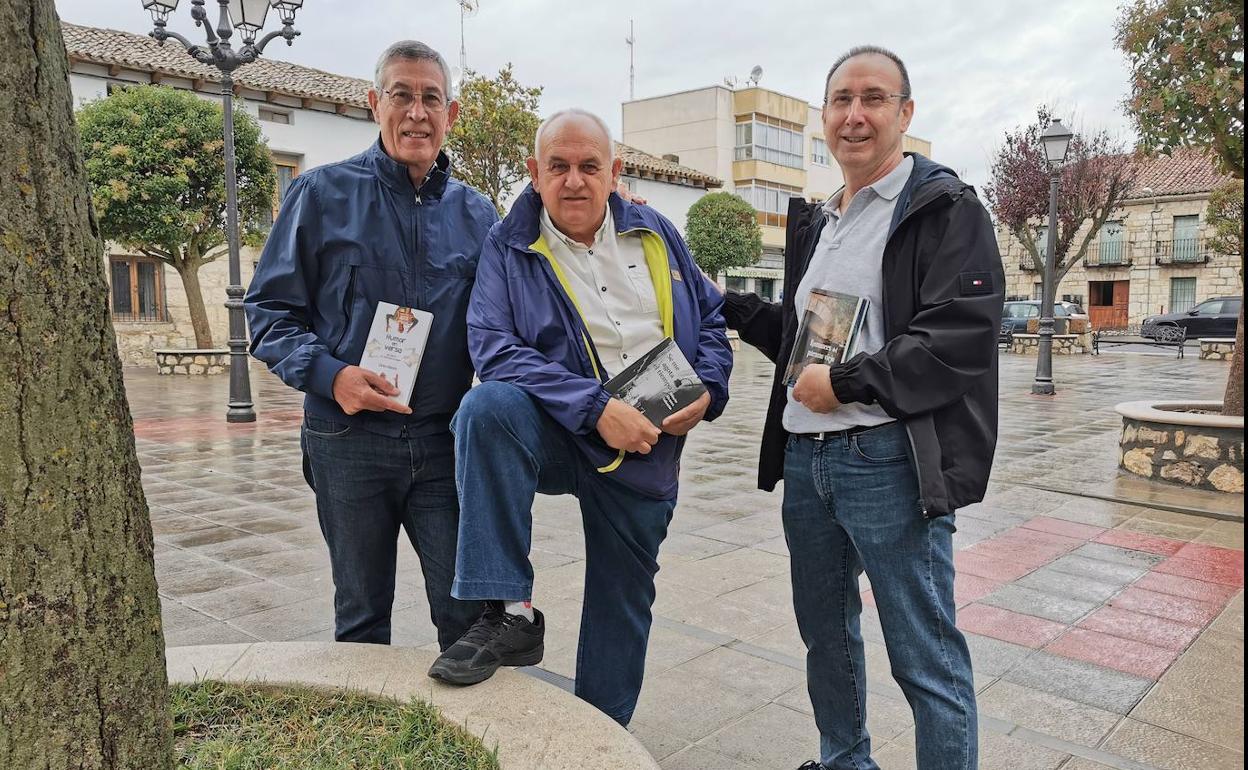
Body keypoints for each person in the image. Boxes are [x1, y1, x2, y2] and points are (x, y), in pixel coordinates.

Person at [722, 46, 1004, 770]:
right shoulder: (824, 221)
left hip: (885, 461)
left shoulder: (944, 208)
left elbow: (959, 337)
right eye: (841, 100)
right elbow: (803, 338)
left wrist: (847, 384)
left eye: (873, 98)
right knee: (827, 636)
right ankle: (845, 761)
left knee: (925, 655)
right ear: (824, 118)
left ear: (905, 113)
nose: (855, 115)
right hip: (807, 458)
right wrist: (724, 303)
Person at [426, 109, 733, 726]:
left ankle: (601, 740)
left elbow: (713, 321)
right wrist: (595, 408)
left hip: (648, 444)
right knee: (486, 409)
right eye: (558, 167)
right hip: (557, 430)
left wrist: (708, 389)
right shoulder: (509, 245)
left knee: (622, 603)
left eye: (589, 166)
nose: (574, 181)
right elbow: (492, 345)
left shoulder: (657, 232)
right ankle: (511, 611)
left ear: (614, 173)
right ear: (534, 173)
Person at [244, 40, 497, 649]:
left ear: (451, 113)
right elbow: (269, 314)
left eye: (430, 98)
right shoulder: (321, 196)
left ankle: (477, 738)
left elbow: (511, 315)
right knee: (360, 617)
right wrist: (333, 377)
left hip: (442, 442)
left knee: (467, 616)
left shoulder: (478, 214)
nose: (416, 112)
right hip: (346, 440)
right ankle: (367, 741)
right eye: (401, 95)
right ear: (373, 104)